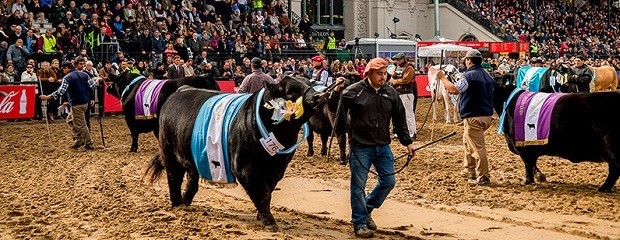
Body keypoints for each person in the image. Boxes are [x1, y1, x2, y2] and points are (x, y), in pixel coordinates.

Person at [339, 57, 415, 238]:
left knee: (389, 182)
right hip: (360, 147)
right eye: (379, 74)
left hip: (383, 146)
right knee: (358, 185)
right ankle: (359, 223)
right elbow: (339, 117)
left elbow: (399, 118)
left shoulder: (390, 93)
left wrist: (407, 142)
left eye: (385, 74)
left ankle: (365, 210)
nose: (383, 77)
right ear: (368, 74)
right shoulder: (352, 92)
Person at [436, 49, 494, 186]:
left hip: (473, 116)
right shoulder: (488, 76)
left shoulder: (468, 76)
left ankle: (483, 175)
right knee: (467, 141)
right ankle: (469, 169)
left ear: (469, 60)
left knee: (478, 147)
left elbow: (454, 90)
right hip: (486, 115)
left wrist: (442, 78)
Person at [39, 61, 99, 150]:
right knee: (70, 120)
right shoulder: (84, 74)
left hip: (76, 104)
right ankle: (79, 139)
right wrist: (97, 80)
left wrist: (48, 97)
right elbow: (93, 86)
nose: (63, 71)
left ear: (66, 68)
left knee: (81, 125)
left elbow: (61, 91)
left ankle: (89, 143)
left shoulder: (67, 78)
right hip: (85, 103)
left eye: (63, 69)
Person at [389, 52, 417, 139]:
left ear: (402, 59)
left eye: (397, 60)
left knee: (408, 113)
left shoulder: (409, 68)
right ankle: (398, 132)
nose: (396, 62)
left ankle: (412, 133)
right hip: (398, 93)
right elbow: (392, 76)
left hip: (406, 93)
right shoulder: (397, 67)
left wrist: (394, 82)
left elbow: (405, 80)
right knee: (398, 113)